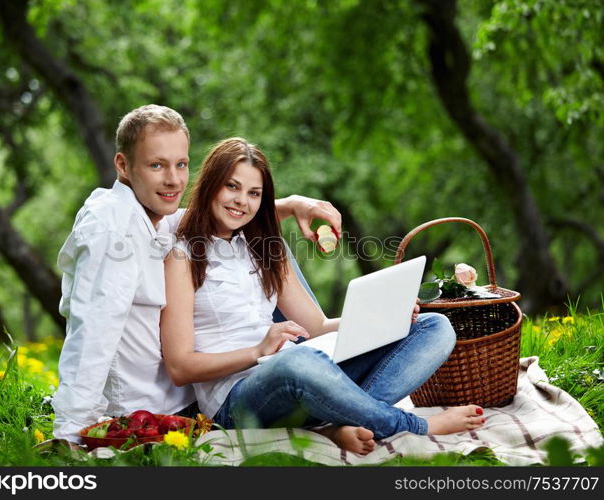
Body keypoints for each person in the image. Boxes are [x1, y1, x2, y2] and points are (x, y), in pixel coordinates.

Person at [160, 138, 485, 455]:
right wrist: (258, 350)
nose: (242, 201)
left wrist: (386, 318)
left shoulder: (265, 249)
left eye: (254, 193)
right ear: (211, 185)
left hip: (303, 372)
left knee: (435, 327)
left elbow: (316, 327)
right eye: (232, 187)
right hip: (237, 399)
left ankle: (337, 423)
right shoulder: (182, 257)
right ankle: (415, 426)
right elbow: (180, 367)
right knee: (299, 360)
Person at [52, 105, 342, 443]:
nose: (174, 180)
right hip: (156, 412)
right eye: (156, 165)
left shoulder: (155, 215)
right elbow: (91, 336)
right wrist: (70, 433)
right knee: (263, 251)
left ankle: (325, 399)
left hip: (192, 399)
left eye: (181, 164)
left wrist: (293, 205)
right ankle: (331, 410)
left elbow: (223, 214)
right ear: (123, 165)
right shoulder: (112, 231)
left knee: (266, 245)